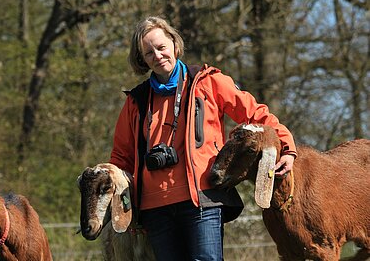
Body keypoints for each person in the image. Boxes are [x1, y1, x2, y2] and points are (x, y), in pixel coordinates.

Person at [109, 16, 297, 261]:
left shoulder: (207, 81)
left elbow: (256, 114)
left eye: (161, 47)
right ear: (142, 59)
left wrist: (287, 148)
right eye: (148, 52)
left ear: (175, 45)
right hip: (154, 208)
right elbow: (120, 158)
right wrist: (123, 208)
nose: (157, 55)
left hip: (203, 198)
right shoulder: (135, 101)